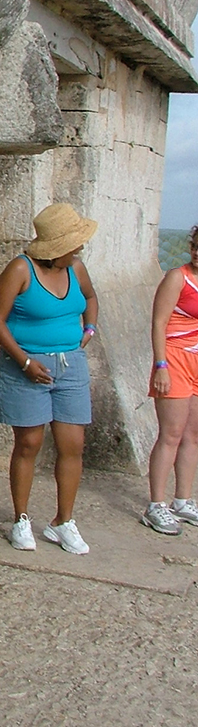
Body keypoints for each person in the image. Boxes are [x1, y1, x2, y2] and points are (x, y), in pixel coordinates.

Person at [0, 203, 99, 555]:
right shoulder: (20, 270)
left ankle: (63, 521)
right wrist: (24, 361)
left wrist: (90, 328)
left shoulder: (76, 269)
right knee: (29, 443)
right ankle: (21, 518)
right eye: (74, 243)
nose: (79, 249)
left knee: (72, 445)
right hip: (26, 367)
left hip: (70, 365)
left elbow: (91, 298)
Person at [140, 224, 198, 535]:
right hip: (173, 359)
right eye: (197, 247)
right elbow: (159, 322)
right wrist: (160, 365)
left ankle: (183, 500)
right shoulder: (178, 277)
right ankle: (156, 505)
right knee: (171, 434)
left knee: (193, 436)